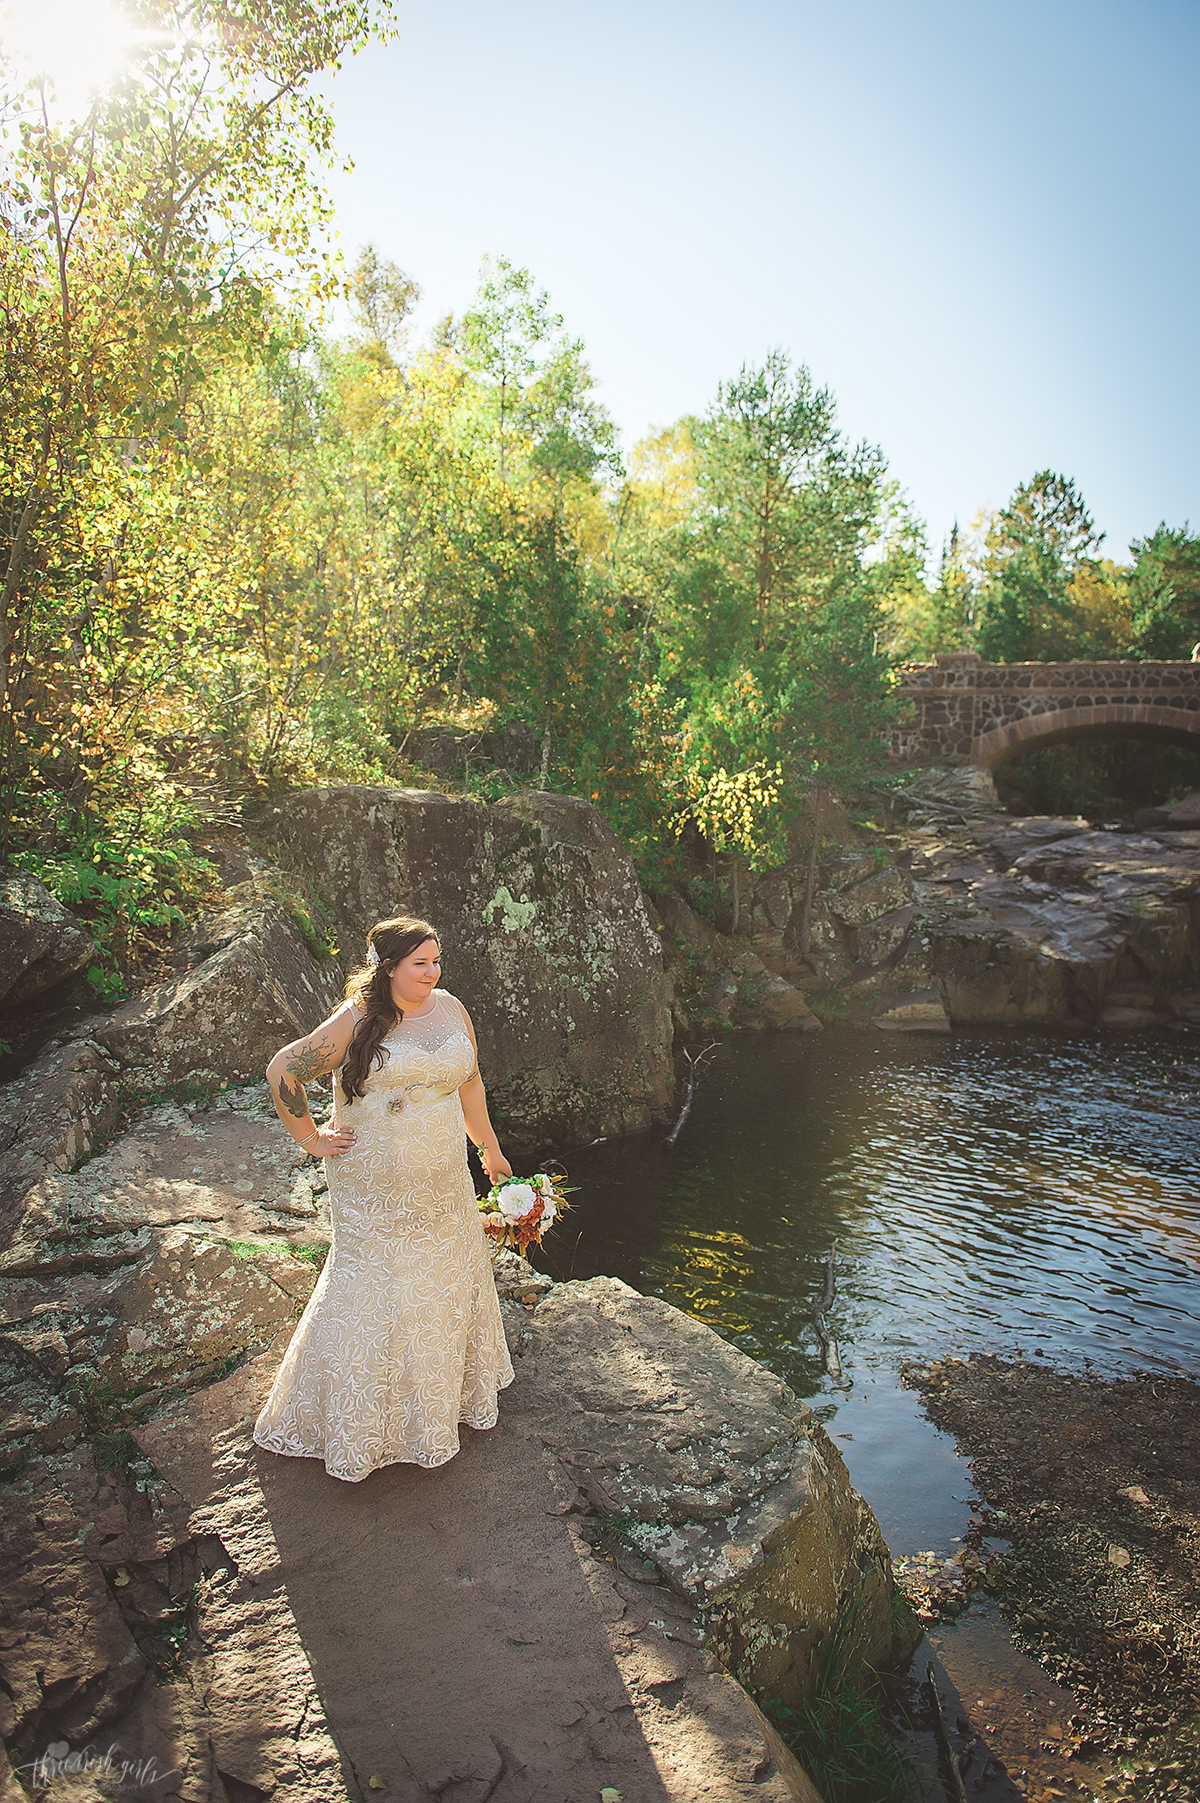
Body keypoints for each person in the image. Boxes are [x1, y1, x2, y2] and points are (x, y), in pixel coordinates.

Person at [253, 915, 515, 1482]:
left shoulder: (451, 1008)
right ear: (388, 968)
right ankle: (358, 1422)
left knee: (444, 1274)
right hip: (377, 1179)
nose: (432, 972)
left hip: (443, 1172)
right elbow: (284, 1070)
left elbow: (470, 1084)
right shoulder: (357, 1020)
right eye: (419, 963)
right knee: (376, 1285)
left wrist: (489, 1151)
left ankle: (439, 1404)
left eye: (436, 961)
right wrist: (310, 1138)